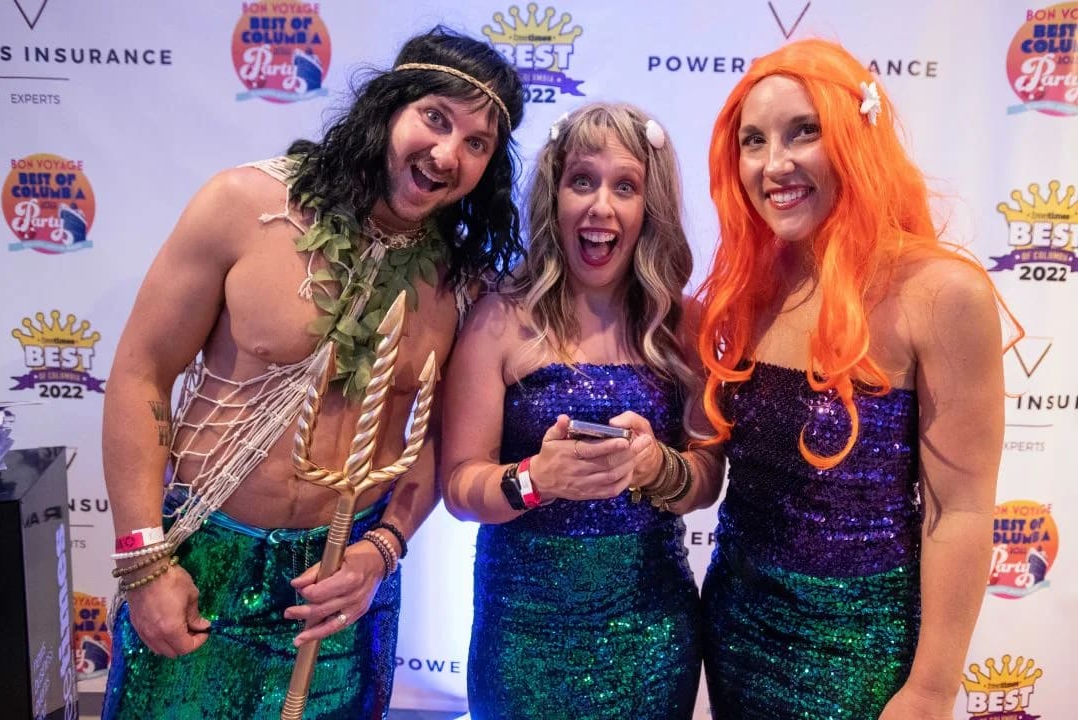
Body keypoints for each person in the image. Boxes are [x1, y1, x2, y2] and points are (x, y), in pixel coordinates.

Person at [100, 27, 524, 720]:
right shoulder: (245, 206)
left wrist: (381, 550)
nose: (448, 154)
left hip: (342, 591)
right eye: (435, 117)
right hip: (202, 565)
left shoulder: (459, 284)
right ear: (388, 106)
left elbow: (432, 441)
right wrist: (145, 563)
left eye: (477, 143)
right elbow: (141, 373)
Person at [692, 38, 1018, 719]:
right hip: (736, 626)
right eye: (754, 141)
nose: (775, 164)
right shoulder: (750, 288)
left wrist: (931, 689)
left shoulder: (941, 293)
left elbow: (960, 511)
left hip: (861, 651)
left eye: (803, 132)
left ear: (853, 133)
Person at [440, 102, 723, 720]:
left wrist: (658, 468)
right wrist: (535, 480)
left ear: (650, 206)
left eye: (625, 186)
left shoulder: (685, 325)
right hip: (523, 640)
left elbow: (707, 479)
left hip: (652, 638)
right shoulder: (499, 318)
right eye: (582, 181)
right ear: (554, 196)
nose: (600, 206)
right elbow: (460, 487)